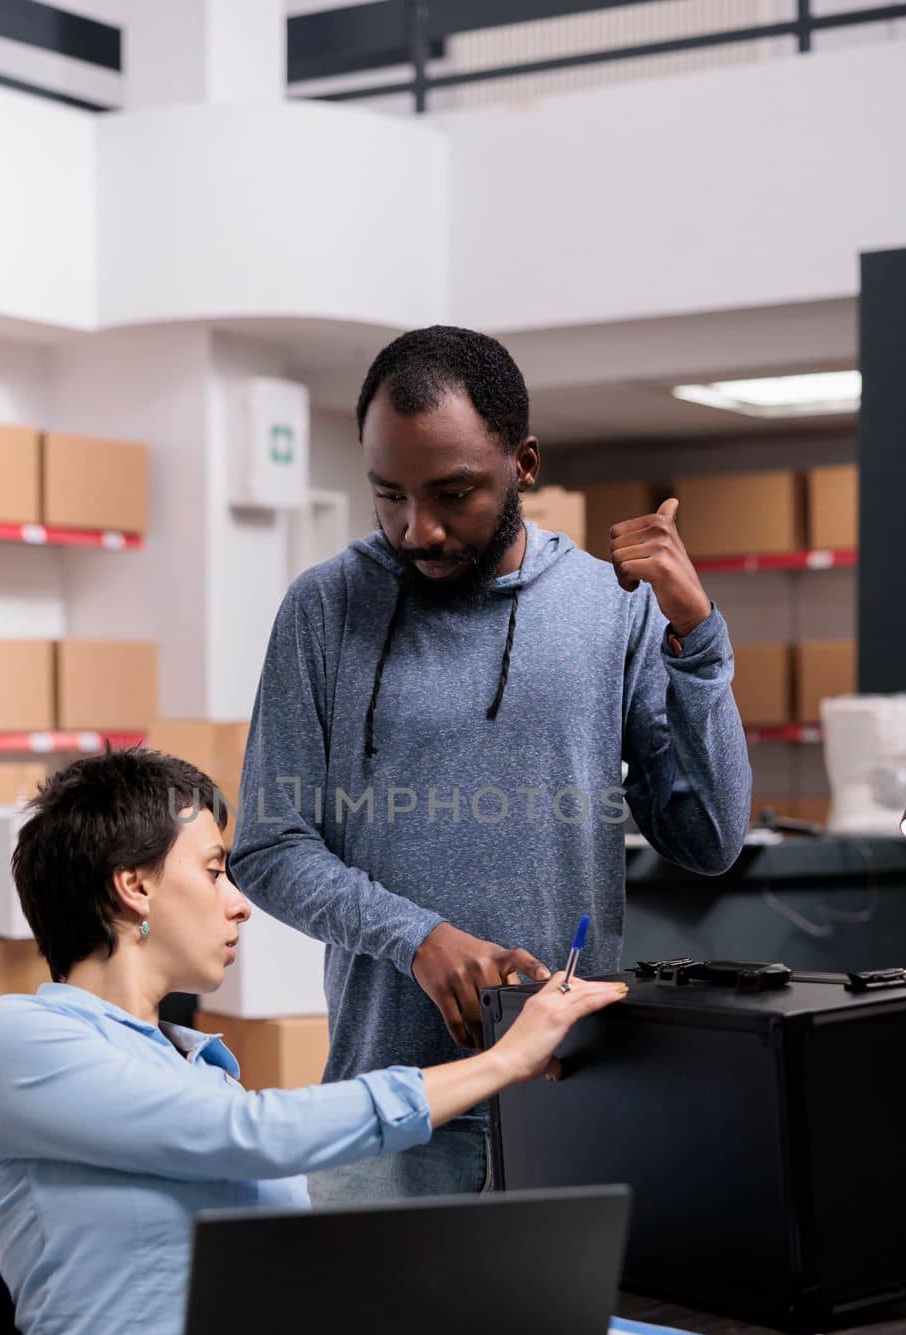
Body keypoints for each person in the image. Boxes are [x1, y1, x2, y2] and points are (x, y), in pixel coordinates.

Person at [230, 325, 752, 1204]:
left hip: (572, 1103)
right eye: (388, 495)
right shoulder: (325, 609)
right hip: (387, 1116)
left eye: (453, 494)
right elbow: (268, 846)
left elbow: (708, 836)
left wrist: (696, 638)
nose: (416, 528)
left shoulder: (607, 606)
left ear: (525, 465)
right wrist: (417, 938)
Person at [0, 747, 626, 1335]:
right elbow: (252, 1134)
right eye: (214, 871)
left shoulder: (195, 1067)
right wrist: (505, 1060)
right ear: (134, 886)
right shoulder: (11, 1038)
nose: (240, 902)